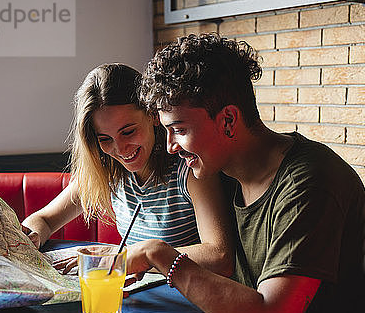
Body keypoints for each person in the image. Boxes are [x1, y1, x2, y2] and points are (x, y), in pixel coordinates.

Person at [127, 33, 365, 313]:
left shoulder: (310, 183)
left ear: (228, 120)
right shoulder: (223, 172)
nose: (170, 147)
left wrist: (161, 255)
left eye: (180, 130)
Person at [21, 63, 234, 277]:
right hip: (138, 301)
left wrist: (130, 256)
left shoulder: (189, 167)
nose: (120, 149)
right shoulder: (107, 169)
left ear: (152, 115)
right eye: (104, 139)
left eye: (128, 132)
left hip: (187, 302)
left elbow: (219, 256)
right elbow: (44, 220)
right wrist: (30, 237)